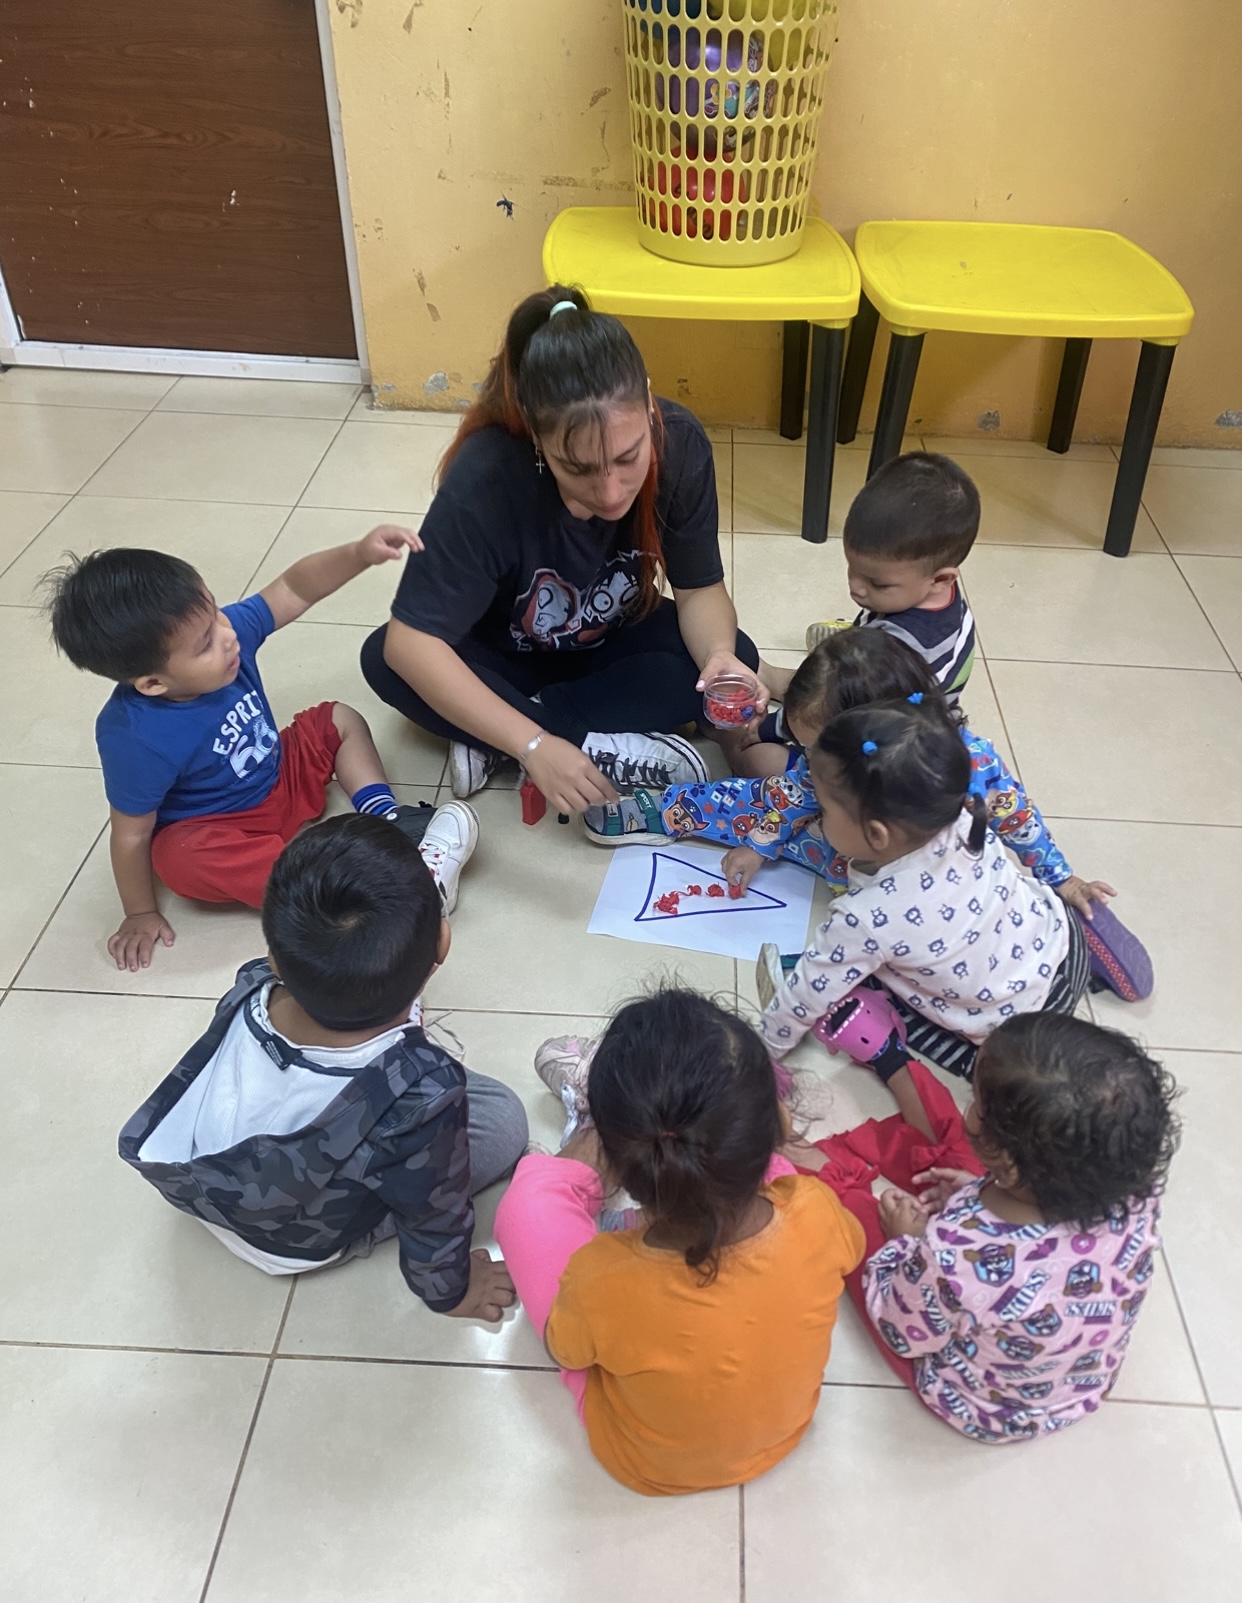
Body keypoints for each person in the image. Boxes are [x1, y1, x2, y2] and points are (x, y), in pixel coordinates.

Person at [359, 285, 765, 816]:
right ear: (536, 436)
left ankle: (495, 734)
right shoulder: (487, 479)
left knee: (734, 656)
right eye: (577, 469)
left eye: (628, 457)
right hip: (502, 656)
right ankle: (552, 740)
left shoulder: (680, 443)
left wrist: (718, 656)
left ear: (648, 403)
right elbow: (409, 644)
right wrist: (534, 745)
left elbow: (699, 589)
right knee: (386, 659)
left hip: (606, 638)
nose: (611, 492)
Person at [582, 630, 1151, 1004]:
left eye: (816, 748)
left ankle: (841, 977)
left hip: (913, 892)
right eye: (805, 747)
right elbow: (790, 795)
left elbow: (1017, 816)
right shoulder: (825, 764)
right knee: (757, 797)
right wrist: (758, 844)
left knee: (920, 952)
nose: (807, 758)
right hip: (841, 849)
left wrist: (1060, 877)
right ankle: (673, 810)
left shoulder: (969, 761)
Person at [118, 814, 527, 1321]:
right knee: (502, 1116)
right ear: (441, 946)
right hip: (294, 1243)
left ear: (274, 958)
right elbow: (433, 1214)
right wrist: (453, 1291)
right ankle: (391, 1019)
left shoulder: (252, 984)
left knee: (420, 1103)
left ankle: (376, 1013)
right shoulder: (423, 1094)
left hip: (208, 1184)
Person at [45, 535, 478, 972]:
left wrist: (358, 554)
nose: (227, 635)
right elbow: (131, 834)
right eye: (205, 644)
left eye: (215, 612)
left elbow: (292, 588)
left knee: (337, 718)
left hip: (278, 774)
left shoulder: (224, 634)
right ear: (153, 683)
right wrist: (139, 912)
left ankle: (387, 818)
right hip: (221, 826)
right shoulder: (134, 737)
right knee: (178, 858)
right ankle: (370, 891)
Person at [493, 990, 864, 1496]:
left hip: (645, 1463)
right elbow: (846, 1246)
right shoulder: (819, 1209)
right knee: (771, 1176)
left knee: (528, 1199)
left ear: (617, 1166)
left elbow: (568, 1351)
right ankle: (707, 1131)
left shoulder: (600, 1276)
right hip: (783, 1435)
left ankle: (584, 1139)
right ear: (780, 1123)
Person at [784, 1013, 1180, 1444]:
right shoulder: (1136, 1196)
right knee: (969, 1154)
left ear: (1008, 1170)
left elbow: (901, 1330)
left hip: (982, 1406)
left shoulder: (953, 1253)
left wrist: (904, 1242)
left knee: (860, 1226)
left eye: (975, 1102)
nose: (969, 1107)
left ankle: (815, 1165)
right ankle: (893, 1062)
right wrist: (975, 1192)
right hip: (1080, 1385)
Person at [758, 697, 1091, 1079]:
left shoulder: (864, 918)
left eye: (825, 810)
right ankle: (1093, 937)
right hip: (1065, 945)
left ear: (877, 834)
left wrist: (762, 1052)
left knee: (875, 993)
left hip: (1010, 1027)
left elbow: (808, 991)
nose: (819, 817)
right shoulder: (965, 816)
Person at [783, 451, 980, 724]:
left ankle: (848, 651)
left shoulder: (903, 652)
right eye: (852, 568)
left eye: (878, 583)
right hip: (914, 698)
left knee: (771, 742)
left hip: (896, 732)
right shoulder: (935, 593)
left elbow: (840, 715)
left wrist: (768, 729)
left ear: (940, 579)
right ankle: (853, 642)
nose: (856, 588)